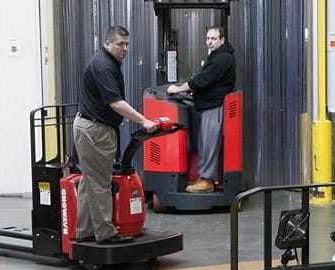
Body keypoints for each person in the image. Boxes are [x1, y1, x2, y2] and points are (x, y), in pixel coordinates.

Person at [74, 25, 156, 244]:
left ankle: (84, 231)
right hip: (95, 130)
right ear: (107, 43)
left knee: (90, 182)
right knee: (100, 183)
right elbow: (116, 103)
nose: (125, 48)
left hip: (92, 127)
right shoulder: (103, 66)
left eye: (127, 44)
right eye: (120, 44)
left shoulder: (108, 62)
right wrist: (143, 120)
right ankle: (106, 233)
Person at [167, 26, 236, 193]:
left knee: (209, 144)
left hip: (215, 105)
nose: (210, 42)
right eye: (208, 38)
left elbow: (203, 79)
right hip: (208, 104)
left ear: (222, 40)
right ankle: (204, 176)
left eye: (214, 38)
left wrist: (179, 89)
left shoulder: (222, 58)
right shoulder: (217, 56)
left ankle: (207, 180)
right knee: (204, 143)